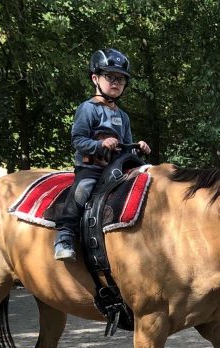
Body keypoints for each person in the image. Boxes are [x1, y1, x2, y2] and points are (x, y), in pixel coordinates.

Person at [54, 48, 151, 262]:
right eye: (110, 77)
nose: (116, 82)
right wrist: (100, 145)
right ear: (95, 78)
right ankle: (65, 236)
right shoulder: (87, 109)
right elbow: (78, 140)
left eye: (121, 79)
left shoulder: (123, 116)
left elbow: (125, 146)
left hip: (116, 169)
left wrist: (138, 147)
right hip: (91, 168)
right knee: (82, 190)